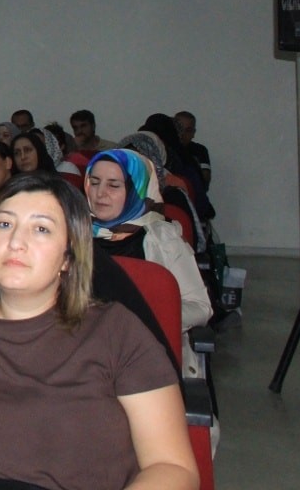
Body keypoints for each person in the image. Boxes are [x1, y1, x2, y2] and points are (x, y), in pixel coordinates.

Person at [0, 173, 197, 490]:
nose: (16, 242)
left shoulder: (117, 332)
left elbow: (171, 466)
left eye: (41, 229)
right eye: (4, 225)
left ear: (69, 257)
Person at [85, 150, 212, 373]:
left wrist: (142, 317)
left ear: (137, 188)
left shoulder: (163, 239)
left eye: (114, 185)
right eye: (94, 183)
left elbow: (201, 307)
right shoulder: (73, 233)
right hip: (84, 356)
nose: (99, 194)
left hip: (148, 357)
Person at [174, 111, 210, 189]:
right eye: (179, 129)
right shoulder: (164, 150)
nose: (182, 134)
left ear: (193, 133)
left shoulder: (200, 151)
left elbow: (205, 181)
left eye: (188, 130)